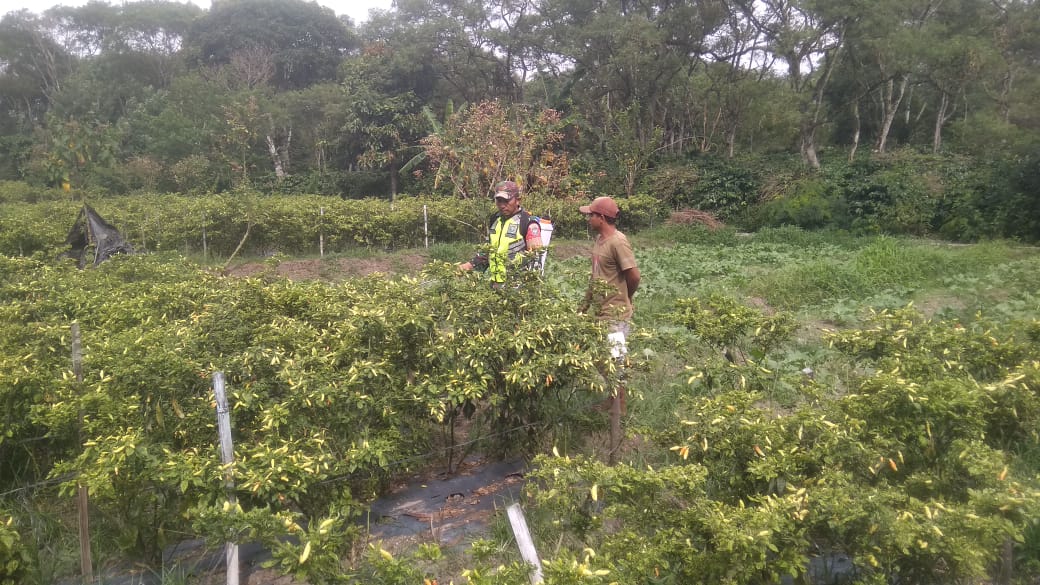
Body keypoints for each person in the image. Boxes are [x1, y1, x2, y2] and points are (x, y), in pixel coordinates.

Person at [578, 196, 640, 415]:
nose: (588, 218)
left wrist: (625, 299)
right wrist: (584, 306)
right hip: (599, 311)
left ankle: (618, 408)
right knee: (598, 356)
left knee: (615, 359)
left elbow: (634, 276)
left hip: (615, 315)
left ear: (602, 218)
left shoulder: (618, 241)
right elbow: (596, 276)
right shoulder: (599, 240)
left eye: (591, 215)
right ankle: (614, 399)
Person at [459, 180, 543, 284]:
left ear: (518, 200)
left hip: (517, 287)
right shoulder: (495, 220)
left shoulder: (528, 223)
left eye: (506, 201)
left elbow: (536, 260)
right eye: (499, 201)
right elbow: (487, 253)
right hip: (495, 284)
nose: (502, 205)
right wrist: (466, 267)